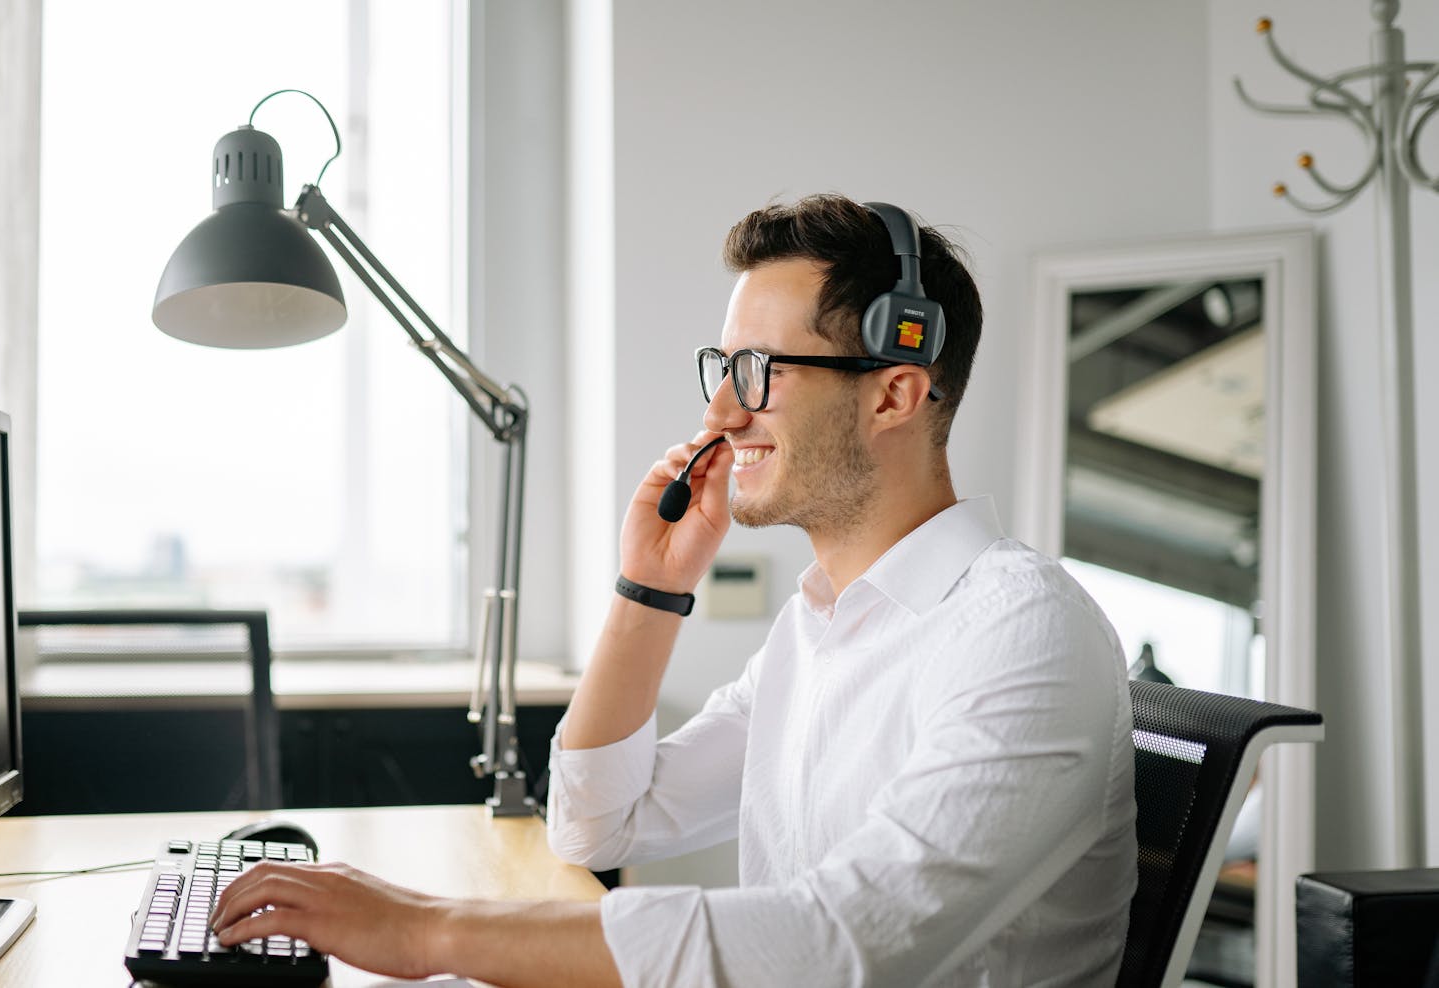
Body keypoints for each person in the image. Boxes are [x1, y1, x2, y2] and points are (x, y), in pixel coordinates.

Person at [211, 194, 1137, 987]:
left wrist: (424, 930)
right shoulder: (821, 627)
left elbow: (844, 943)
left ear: (894, 394)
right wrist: (648, 590)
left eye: (759, 373)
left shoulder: (1023, 633)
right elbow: (595, 823)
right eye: (723, 367)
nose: (722, 413)